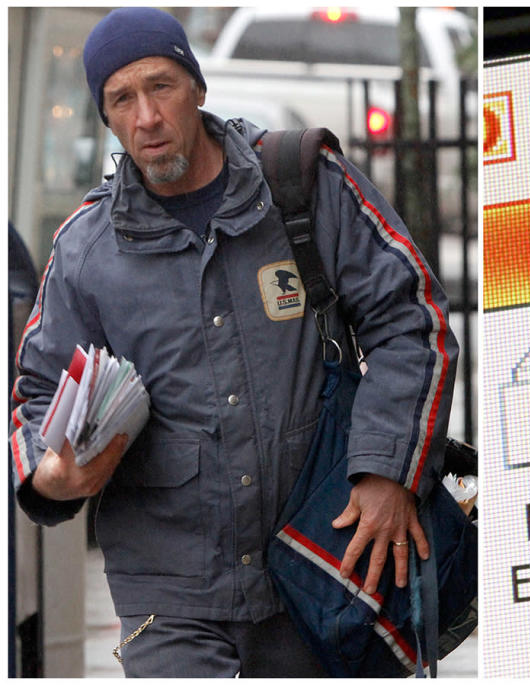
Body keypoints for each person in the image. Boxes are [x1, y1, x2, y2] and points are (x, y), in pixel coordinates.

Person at [9, 7, 457, 677]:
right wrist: (50, 470)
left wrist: (386, 470)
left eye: (160, 86)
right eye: (121, 100)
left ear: (197, 86)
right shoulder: (85, 249)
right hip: (169, 596)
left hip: (323, 560)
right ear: (105, 117)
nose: (146, 117)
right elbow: (36, 398)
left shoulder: (305, 184)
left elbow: (410, 317)